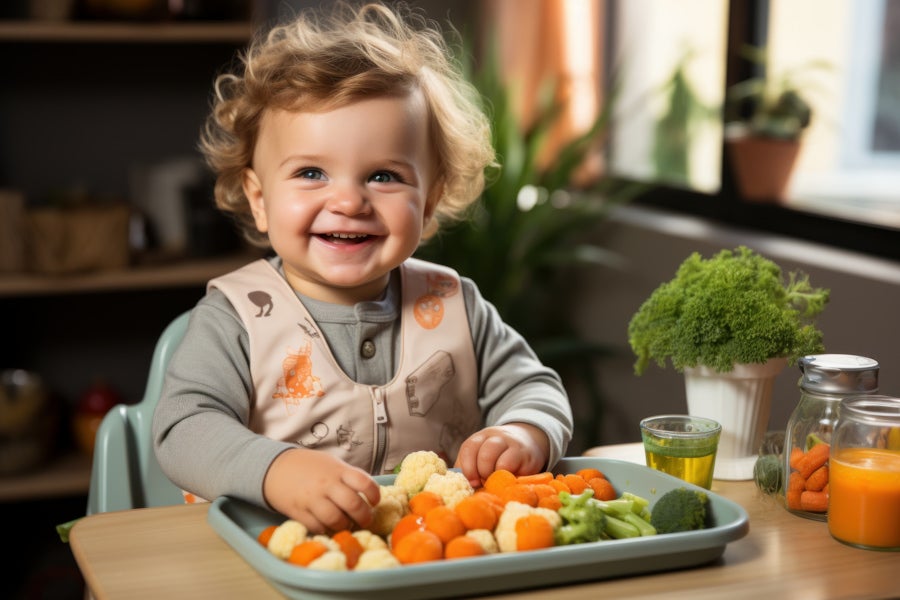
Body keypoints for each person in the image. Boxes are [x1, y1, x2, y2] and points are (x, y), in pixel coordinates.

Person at [151, 1, 573, 534]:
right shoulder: (234, 318)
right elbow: (184, 429)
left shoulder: (455, 305)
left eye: (383, 176)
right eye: (310, 172)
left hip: (431, 554)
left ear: (429, 199)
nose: (349, 201)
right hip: (275, 555)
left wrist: (524, 432)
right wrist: (276, 469)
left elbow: (534, 388)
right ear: (259, 199)